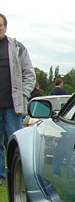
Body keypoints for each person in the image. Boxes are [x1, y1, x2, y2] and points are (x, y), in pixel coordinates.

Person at [0, 13, 35, 185]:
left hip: (13, 107)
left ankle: (15, 174)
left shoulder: (17, 48)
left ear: (5, 27)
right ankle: (1, 176)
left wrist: (24, 94)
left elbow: (29, 74)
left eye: (0, 25)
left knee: (13, 143)